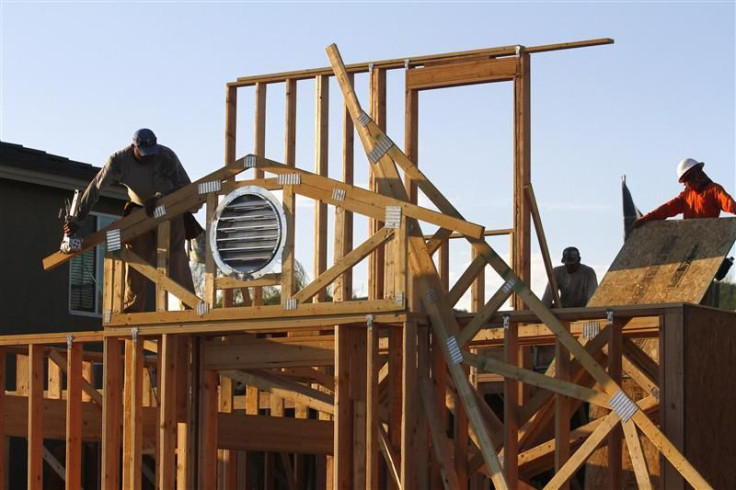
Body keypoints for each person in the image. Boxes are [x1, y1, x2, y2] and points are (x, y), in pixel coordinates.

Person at [64, 128, 197, 312]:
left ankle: (190, 306)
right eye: (144, 154)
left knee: (175, 257)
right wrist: (78, 219)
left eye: (151, 154)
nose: (148, 157)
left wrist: (161, 197)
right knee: (136, 259)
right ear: (134, 147)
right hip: (140, 211)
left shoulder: (166, 156)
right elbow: (96, 188)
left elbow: (186, 187)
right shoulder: (118, 162)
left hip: (168, 209)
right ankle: (132, 311)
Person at [633, 157, 736, 227]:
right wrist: (646, 219)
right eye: (685, 180)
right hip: (688, 241)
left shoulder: (714, 190)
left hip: (708, 240)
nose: (687, 183)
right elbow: (666, 209)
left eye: (688, 178)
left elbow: (729, 204)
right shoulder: (686, 196)